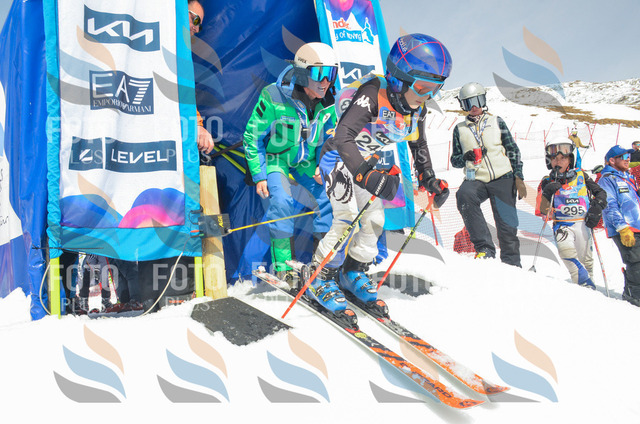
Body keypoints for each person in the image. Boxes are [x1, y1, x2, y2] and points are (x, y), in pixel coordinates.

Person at [309, 33, 451, 313]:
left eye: (436, 89)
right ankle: (319, 275)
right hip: (338, 156)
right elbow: (343, 135)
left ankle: (352, 271)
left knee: (374, 219)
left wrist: (428, 178)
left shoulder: (417, 109)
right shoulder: (374, 93)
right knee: (347, 217)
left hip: (364, 163)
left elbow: (418, 144)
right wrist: (365, 175)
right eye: (422, 87)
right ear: (399, 78)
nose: (427, 96)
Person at [243, 42, 337, 279]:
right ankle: (284, 268)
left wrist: (323, 164)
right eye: (320, 73)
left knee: (328, 200)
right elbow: (252, 136)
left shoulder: (329, 103)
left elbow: (330, 138)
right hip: (278, 159)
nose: (326, 82)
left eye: (331, 73)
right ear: (303, 73)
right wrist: (260, 175)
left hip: (308, 162)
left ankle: (322, 267)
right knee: (282, 202)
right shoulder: (274, 95)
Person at [450, 82, 526, 267]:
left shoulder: (496, 121)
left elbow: (512, 149)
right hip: (477, 178)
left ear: (483, 100)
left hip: (503, 177)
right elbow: (454, 160)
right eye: (468, 103)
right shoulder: (460, 129)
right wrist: (465, 157)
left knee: (506, 226)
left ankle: (512, 264)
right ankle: (484, 248)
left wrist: (518, 176)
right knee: (464, 195)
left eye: (477, 101)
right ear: (463, 105)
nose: (474, 106)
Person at [535, 139, 607, 288]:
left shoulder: (581, 175)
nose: (558, 162)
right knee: (566, 252)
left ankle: (588, 287)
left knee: (586, 260)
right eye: (554, 158)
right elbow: (542, 211)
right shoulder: (547, 181)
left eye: (563, 158)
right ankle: (584, 281)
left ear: (570, 160)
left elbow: (601, 193)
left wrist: (596, 208)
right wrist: (547, 194)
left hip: (583, 223)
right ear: (549, 161)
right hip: (562, 224)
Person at [598, 145, 640, 306]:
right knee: (636, 261)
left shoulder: (628, 177)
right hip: (624, 228)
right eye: (623, 157)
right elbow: (609, 205)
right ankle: (634, 296)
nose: (627, 159)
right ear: (612, 160)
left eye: (628, 156)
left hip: (637, 224)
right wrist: (622, 227)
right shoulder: (607, 179)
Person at [188, 0, 215, 154]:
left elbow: (182, 93)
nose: (196, 29)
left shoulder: (180, 52)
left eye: (200, 25)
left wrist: (197, 125)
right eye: (195, 20)